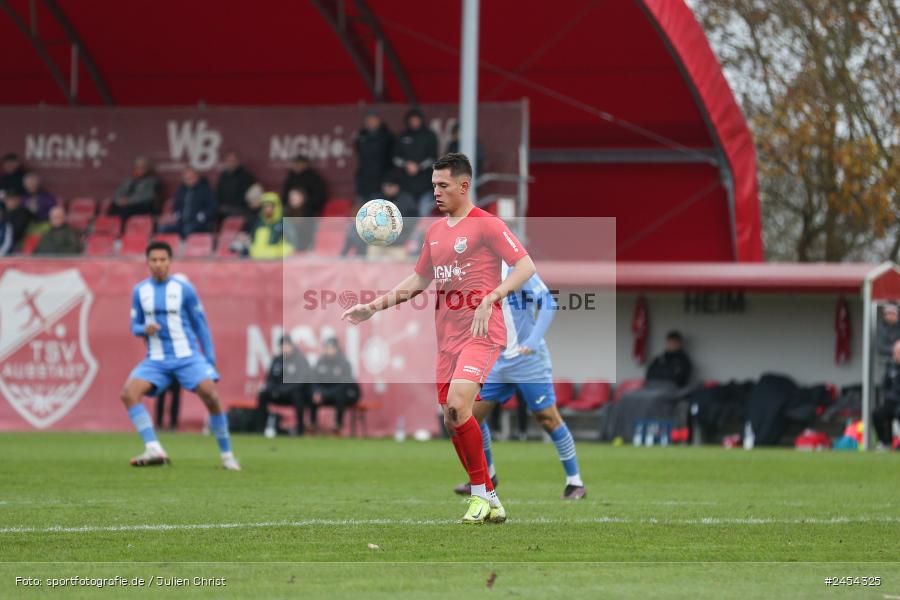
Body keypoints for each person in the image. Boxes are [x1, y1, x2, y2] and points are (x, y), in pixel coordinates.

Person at [342, 152, 536, 524]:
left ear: (464, 186)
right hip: (447, 337)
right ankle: (491, 497)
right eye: (434, 186)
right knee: (451, 416)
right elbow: (419, 281)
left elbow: (525, 266)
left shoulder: (487, 225)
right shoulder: (434, 232)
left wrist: (493, 296)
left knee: (460, 404)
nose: (436, 193)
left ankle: (478, 495)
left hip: (481, 331)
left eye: (443, 186)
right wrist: (374, 306)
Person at [453, 265, 586, 500]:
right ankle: (488, 477)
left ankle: (575, 482)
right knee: (471, 416)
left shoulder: (516, 268)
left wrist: (533, 341)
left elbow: (548, 303)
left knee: (548, 419)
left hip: (527, 359)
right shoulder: (472, 270)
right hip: (494, 360)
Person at [121, 241, 240, 470]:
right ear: (147, 263)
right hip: (156, 359)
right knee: (128, 393)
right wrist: (144, 329)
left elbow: (200, 325)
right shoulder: (140, 291)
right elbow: (134, 326)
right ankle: (153, 447)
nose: (158, 264)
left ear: (170, 262)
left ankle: (227, 456)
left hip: (187, 356)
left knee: (211, 395)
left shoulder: (184, 289)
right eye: (154, 260)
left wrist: (210, 359)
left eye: (163, 260)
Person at [341, 172, 417, 258]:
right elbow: (365, 221)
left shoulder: (406, 200)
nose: (387, 188)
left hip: (397, 245)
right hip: (376, 244)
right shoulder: (375, 200)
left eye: (391, 186)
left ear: (397, 186)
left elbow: (412, 222)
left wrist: (391, 224)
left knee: (401, 265)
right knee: (370, 263)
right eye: (385, 186)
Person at [256, 335, 312, 437]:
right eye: (283, 345)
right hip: (277, 393)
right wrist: (273, 389)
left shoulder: (300, 360)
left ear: (292, 346)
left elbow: (301, 382)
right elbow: (269, 379)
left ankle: (300, 429)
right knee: (263, 394)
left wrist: (283, 390)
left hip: (292, 393)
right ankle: (260, 428)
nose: (285, 348)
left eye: (287, 345)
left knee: (298, 395)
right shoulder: (277, 360)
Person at [392, 108, 439, 217]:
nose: (414, 122)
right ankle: (405, 234)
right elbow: (395, 158)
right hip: (406, 186)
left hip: (426, 185)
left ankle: (424, 234)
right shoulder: (402, 136)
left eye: (416, 120)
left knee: (424, 214)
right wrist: (406, 165)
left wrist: (419, 167)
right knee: (404, 216)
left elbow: (433, 158)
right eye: (412, 120)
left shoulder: (429, 136)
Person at [308, 338, 360, 435]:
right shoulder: (320, 362)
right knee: (312, 396)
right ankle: (312, 425)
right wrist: (317, 392)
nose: (329, 350)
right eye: (327, 348)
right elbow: (314, 381)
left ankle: (337, 425)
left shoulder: (344, 363)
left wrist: (324, 394)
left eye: (331, 348)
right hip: (325, 394)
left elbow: (343, 385)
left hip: (344, 394)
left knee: (340, 396)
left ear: (336, 349)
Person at [160, 167, 217, 239]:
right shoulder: (182, 190)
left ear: (197, 177)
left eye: (191, 177)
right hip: (181, 223)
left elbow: (212, 208)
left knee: (187, 230)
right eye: (186, 178)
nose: (189, 180)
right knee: (163, 229)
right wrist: (177, 215)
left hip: (200, 224)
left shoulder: (205, 190)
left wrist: (201, 216)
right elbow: (177, 206)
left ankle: (184, 249)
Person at [354, 110, 394, 203]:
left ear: (379, 121)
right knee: (362, 212)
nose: (370, 122)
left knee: (377, 212)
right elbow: (359, 155)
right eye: (368, 120)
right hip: (363, 182)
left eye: (373, 119)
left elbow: (391, 161)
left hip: (380, 182)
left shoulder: (387, 136)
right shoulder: (361, 135)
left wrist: (388, 180)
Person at [110, 157, 163, 222]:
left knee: (125, 210)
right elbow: (117, 193)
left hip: (141, 206)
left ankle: (123, 229)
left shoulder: (152, 181)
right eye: (138, 167)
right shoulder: (128, 181)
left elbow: (148, 197)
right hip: (126, 205)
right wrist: (120, 200)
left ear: (148, 168)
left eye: (143, 167)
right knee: (113, 208)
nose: (140, 169)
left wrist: (129, 201)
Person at [281, 154, 327, 219]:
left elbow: (319, 196)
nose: (297, 165)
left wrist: (305, 203)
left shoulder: (314, 178)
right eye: (296, 163)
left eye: (300, 163)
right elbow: (285, 195)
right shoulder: (290, 178)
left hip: (308, 208)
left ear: (306, 164)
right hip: (291, 208)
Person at [249, 192, 293, 259]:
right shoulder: (259, 223)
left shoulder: (284, 223)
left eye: (270, 206)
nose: (268, 209)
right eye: (265, 206)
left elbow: (291, 243)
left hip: (276, 258)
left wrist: (278, 252)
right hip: (257, 258)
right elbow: (252, 240)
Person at [874, 339, 900, 450]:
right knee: (877, 414)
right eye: (897, 352)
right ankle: (885, 442)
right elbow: (885, 385)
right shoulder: (891, 368)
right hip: (891, 401)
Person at [216, 150, 257, 222]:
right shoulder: (223, 176)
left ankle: (284, 233)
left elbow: (247, 198)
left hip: (239, 210)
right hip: (224, 210)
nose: (231, 163)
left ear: (238, 161)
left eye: (233, 160)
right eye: (229, 160)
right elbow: (218, 194)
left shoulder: (245, 176)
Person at [282, 187, 316, 252]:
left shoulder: (309, 213)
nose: (294, 199)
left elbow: (312, 235)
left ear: (303, 198)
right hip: (289, 249)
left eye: (296, 197)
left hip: (306, 249)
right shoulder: (284, 213)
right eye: (291, 197)